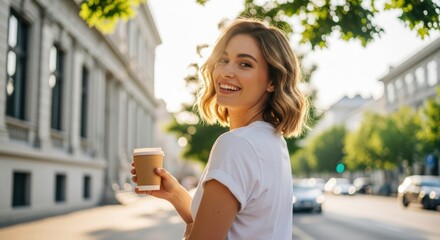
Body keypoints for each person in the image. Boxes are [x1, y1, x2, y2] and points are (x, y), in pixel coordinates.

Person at [131, 17, 309, 240]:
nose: (226, 72)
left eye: (245, 64)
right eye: (223, 60)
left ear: (272, 81)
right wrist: (176, 194)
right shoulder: (272, 141)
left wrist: (189, 234)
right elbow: (235, 226)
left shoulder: (237, 144)